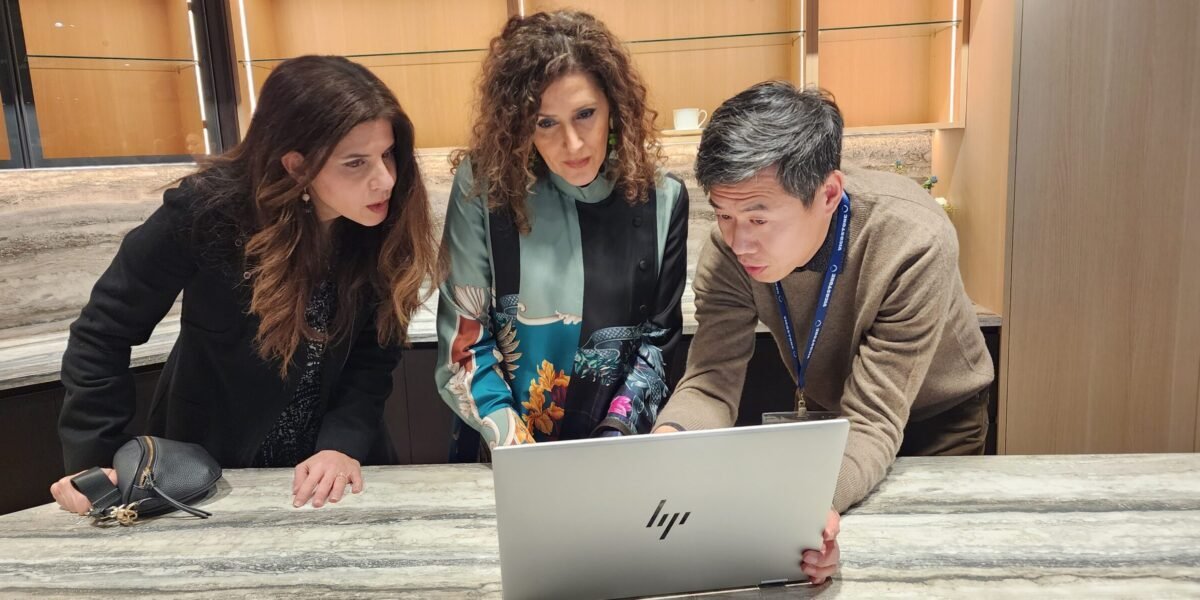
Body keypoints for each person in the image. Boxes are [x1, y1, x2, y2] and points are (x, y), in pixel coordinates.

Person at [51, 55, 440, 513]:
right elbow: (102, 332)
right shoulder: (208, 212)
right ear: (297, 165)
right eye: (356, 163)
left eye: (388, 154)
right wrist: (96, 460)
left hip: (334, 470)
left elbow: (375, 352)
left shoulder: (381, 223)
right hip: (209, 472)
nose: (386, 180)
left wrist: (342, 444)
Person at [654, 81, 995, 583]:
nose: (738, 241)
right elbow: (710, 382)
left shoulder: (912, 239)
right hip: (833, 420)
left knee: (921, 577)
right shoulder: (729, 249)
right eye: (724, 214)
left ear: (828, 194)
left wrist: (800, 509)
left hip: (936, 421)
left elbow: (874, 420)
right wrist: (667, 448)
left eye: (758, 218)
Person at [435, 10, 688, 450]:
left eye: (585, 114)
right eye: (545, 122)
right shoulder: (485, 187)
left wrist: (613, 439)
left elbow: (657, 345)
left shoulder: (662, 199)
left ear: (614, 107)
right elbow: (464, 344)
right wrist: (519, 450)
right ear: (520, 126)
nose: (572, 144)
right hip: (502, 449)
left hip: (616, 451)